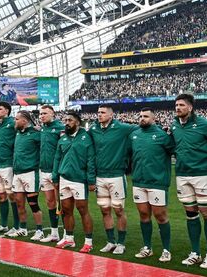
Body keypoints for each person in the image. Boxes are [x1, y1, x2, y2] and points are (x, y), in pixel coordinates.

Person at [170, 93, 207, 269]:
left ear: (190, 107)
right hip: (182, 175)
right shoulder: (174, 125)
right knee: (191, 215)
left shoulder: (205, 124)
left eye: (181, 105)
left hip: (202, 175)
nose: (178, 108)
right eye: (176, 105)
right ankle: (195, 253)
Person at [87, 105, 138, 255]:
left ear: (111, 115)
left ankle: (121, 243)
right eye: (98, 112)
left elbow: (140, 128)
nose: (99, 115)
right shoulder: (93, 129)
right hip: (99, 176)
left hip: (116, 175)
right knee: (104, 210)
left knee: (119, 210)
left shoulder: (122, 128)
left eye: (102, 113)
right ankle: (111, 241)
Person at [131, 107, 173, 263]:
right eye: (140, 116)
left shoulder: (163, 136)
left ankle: (166, 249)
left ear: (153, 118)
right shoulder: (134, 135)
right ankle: (147, 247)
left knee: (160, 216)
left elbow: (174, 151)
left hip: (157, 182)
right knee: (143, 215)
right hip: (138, 181)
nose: (142, 118)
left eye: (146, 116)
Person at [53, 112, 96, 253]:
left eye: (70, 120)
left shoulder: (86, 138)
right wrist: (55, 177)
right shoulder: (62, 139)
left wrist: (91, 180)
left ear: (77, 122)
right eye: (65, 120)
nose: (66, 122)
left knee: (83, 210)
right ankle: (69, 239)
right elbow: (57, 159)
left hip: (79, 179)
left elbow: (90, 160)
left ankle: (88, 242)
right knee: (66, 210)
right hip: (64, 178)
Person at [7, 110, 43, 238]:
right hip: (17, 173)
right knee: (19, 202)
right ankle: (23, 228)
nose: (14, 121)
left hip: (30, 172)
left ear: (25, 121)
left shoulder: (36, 134)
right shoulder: (18, 133)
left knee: (33, 203)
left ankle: (40, 231)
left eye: (17, 119)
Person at [35, 105, 64, 242]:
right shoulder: (42, 129)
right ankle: (54, 233)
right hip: (43, 170)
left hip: (56, 170)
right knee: (50, 202)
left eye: (45, 113)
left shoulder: (60, 127)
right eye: (40, 114)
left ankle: (67, 234)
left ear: (53, 114)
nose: (42, 116)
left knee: (61, 203)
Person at [0, 102, 17, 233]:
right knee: (1, 195)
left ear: (7, 111)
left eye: (0, 109)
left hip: (8, 164)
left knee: (12, 195)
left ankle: (17, 226)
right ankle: (5, 224)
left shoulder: (12, 123)